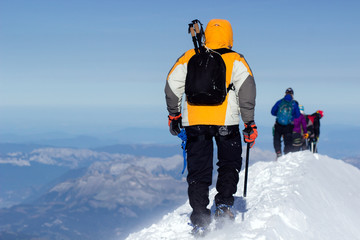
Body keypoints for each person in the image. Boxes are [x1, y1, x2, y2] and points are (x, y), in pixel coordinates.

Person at [165, 19, 257, 235]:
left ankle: (199, 220)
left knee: (198, 170)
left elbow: (171, 86)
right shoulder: (236, 60)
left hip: (195, 122)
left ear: (206, 35)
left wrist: (174, 114)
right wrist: (249, 123)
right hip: (227, 122)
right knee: (229, 163)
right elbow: (247, 92)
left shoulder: (190, 56)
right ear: (230, 36)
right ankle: (224, 206)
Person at [271, 88, 300, 158]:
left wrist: (278, 115)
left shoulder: (280, 102)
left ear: (285, 93)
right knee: (288, 141)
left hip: (279, 124)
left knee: (277, 138)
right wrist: (291, 117)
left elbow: (272, 112)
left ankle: (278, 152)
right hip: (288, 126)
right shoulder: (294, 104)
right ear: (292, 95)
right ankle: (287, 154)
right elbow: (297, 115)